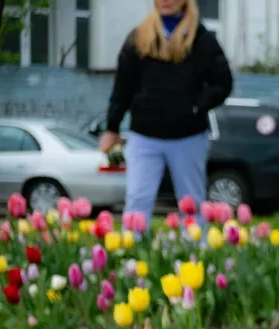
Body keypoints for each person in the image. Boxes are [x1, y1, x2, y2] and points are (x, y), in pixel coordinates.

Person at [99, 0, 233, 219]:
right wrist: (112, 128)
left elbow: (223, 83)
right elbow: (122, 87)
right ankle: (130, 251)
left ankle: (196, 252)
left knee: (192, 203)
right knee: (137, 200)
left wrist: (195, 105)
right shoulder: (138, 38)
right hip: (144, 137)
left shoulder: (201, 39)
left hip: (188, 137)